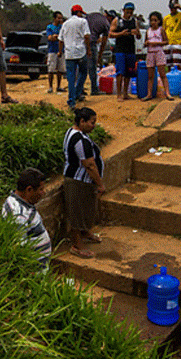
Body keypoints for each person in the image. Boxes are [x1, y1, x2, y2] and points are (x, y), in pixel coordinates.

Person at [63, 107, 105, 259]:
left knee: (86, 209)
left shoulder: (74, 133)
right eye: (92, 122)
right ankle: (77, 245)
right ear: (82, 121)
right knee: (77, 214)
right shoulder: (80, 140)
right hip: (77, 181)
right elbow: (89, 165)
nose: (94, 126)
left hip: (83, 181)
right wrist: (99, 183)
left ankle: (86, 233)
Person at [1, 168, 53, 272]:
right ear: (29, 190)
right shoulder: (18, 214)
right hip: (34, 270)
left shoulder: (22, 204)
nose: (43, 193)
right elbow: (19, 248)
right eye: (41, 189)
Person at [58, 5, 91, 109]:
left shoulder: (65, 24)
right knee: (83, 72)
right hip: (80, 52)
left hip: (69, 53)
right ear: (79, 13)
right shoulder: (83, 21)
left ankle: (71, 100)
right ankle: (77, 93)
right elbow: (86, 36)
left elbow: (60, 39)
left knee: (71, 78)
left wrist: (60, 51)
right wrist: (89, 49)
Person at [109, 2, 141, 101]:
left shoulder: (134, 21)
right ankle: (119, 94)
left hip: (131, 49)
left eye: (131, 12)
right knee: (120, 72)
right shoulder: (117, 20)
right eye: (127, 12)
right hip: (120, 49)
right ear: (123, 11)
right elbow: (110, 33)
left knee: (129, 72)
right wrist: (121, 34)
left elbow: (139, 36)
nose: (129, 14)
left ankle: (125, 93)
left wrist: (137, 33)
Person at [142, 11, 173, 101]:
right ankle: (149, 94)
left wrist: (157, 43)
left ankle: (167, 93)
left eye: (155, 20)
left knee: (162, 74)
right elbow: (145, 43)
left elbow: (166, 41)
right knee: (150, 76)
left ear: (159, 21)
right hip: (150, 53)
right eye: (151, 20)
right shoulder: (148, 31)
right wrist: (147, 43)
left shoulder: (161, 30)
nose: (153, 22)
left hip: (159, 52)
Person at [84, 9, 114, 96]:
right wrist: (100, 56)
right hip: (91, 43)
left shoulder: (93, 14)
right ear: (110, 18)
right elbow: (104, 42)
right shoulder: (106, 24)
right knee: (92, 67)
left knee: (81, 67)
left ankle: (79, 89)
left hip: (81, 42)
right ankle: (94, 89)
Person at [46, 11, 66, 94]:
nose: (60, 19)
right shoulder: (50, 27)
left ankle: (58, 86)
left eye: (61, 18)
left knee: (60, 70)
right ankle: (50, 87)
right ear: (54, 18)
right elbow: (50, 38)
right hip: (52, 51)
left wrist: (56, 37)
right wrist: (57, 37)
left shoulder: (62, 27)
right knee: (51, 69)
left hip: (61, 50)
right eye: (58, 18)